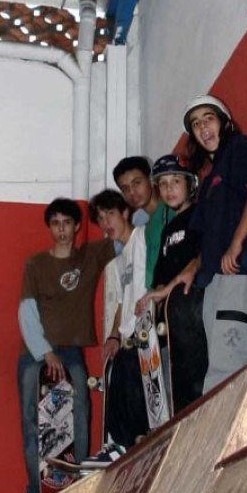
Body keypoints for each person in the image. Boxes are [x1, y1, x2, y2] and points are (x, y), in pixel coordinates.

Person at [17, 198, 112, 493]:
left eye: (67, 223)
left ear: (77, 226)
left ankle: (80, 480)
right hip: (36, 353)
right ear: (49, 228)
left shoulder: (90, 256)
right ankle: (35, 491)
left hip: (71, 352)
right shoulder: (36, 264)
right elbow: (26, 312)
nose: (61, 229)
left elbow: (128, 235)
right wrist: (45, 353)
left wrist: (121, 210)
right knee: (32, 418)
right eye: (55, 223)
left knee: (80, 412)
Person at [182, 95, 247, 391]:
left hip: (238, 270)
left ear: (225, 121)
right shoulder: (210, 181)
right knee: (219, 363)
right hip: (214, 280)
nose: (203, 127)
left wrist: (236, 245)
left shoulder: (239, 147)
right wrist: (191, 269)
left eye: (208, 118)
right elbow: (205, 236)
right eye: (196, 124)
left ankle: (228, 439)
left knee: (228, 369)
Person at [139, 153, 209, 410]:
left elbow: (205, 253)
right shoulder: (168, 229)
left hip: (191, 302)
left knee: (193, 381)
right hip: (169, 312)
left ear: (190, 183)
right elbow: (159, 280)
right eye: (163, 184)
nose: (169, 189)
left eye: (175, 182)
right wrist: (149, 300)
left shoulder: (200, 215)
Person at [87, 187, 149, 458]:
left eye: (110, 214)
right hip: (126, 336)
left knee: (135, 400)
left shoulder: (141, 239)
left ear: (125, 212)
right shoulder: (121, 257)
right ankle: (119, 448)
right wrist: (113, 336)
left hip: (143, 333)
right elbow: (123, 300)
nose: (105, 223)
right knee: (115, 392)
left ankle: (135, 445)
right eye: (100, 218)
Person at [113, 154, 168, 277]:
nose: (132, 192)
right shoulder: (138, 221)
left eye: (137, 183)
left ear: (151, 179)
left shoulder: (171, 208)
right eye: (125, 189)